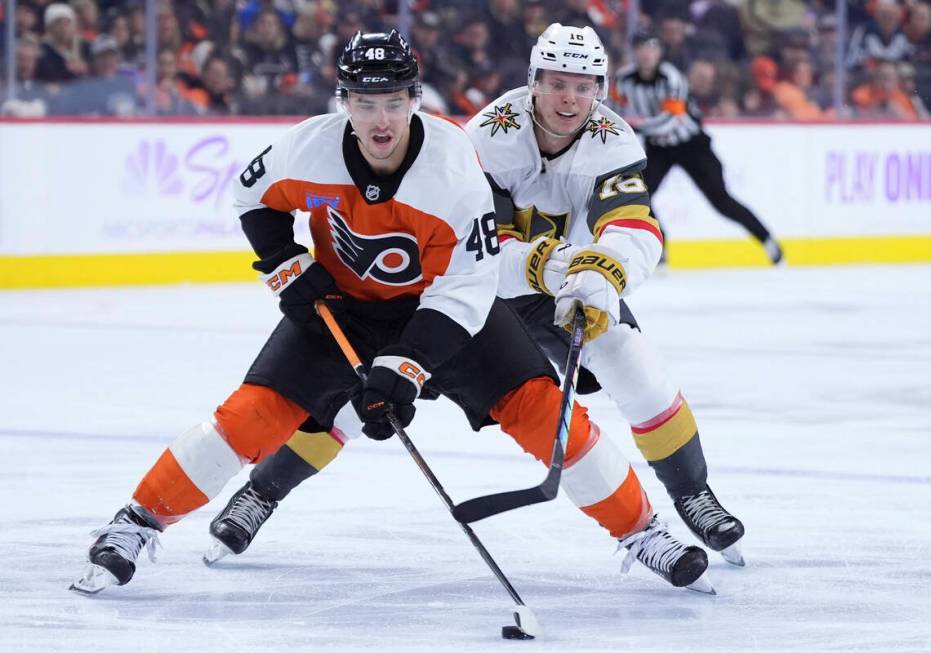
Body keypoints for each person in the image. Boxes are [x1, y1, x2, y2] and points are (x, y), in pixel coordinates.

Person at [72, 29, 712, 597]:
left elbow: (467, 286)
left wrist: (403, 370)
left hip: (451, 313)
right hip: (342, 309)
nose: (380, 120)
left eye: (393, 103)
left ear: (415, 99)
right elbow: (250, 195)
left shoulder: (453, 166)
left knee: (550, 413)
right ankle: (136, 522)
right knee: (251, 416)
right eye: (365, 103)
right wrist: (285, 263)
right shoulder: (309, 148)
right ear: (343, 102)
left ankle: (641, 531)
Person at [616, 33, 783, 265]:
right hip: (659, 147)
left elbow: (671, 121)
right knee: (638, 195)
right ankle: (660, 247)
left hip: (692, 145)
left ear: (659, 52)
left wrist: (636, 126)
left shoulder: (671, 78)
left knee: (721, 200)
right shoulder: (624, 79)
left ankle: (768, 241)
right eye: (640, 48)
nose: (645, 53)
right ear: (634, 51)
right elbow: (614, 110)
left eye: (650, 48)